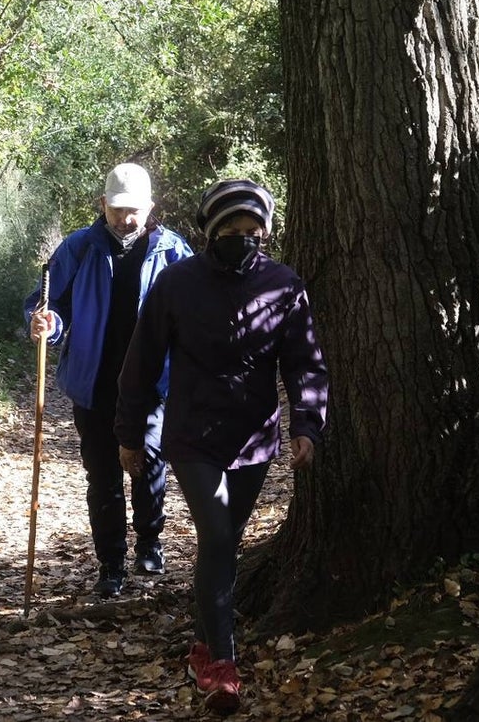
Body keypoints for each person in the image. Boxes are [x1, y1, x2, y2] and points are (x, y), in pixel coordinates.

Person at [114, 178, 329, 714]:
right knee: (215, 535)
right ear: (212, 231)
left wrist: (307, 424)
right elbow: (141, 363)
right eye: (232, 228)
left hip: (254, 439)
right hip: (192, 437)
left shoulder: (283, 285)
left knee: (224, 546)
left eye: (253, 229)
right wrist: (129, 433)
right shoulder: (177, 284)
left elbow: (304, 361)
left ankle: (202, 646)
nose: (243, 237)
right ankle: (224, 668)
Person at [24, 163, 193, 598]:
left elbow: (196, 313)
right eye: (117, 209)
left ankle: (149, 541)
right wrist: (46, 323)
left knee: (149, 463)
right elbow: (48, 303)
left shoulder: (173, 251)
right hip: (95, 383)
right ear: (103, 205)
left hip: (153, 385)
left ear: (150, 207)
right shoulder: (80, 247)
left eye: (133, 210)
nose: (125, 218)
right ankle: (111, 563)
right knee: (102, 476)